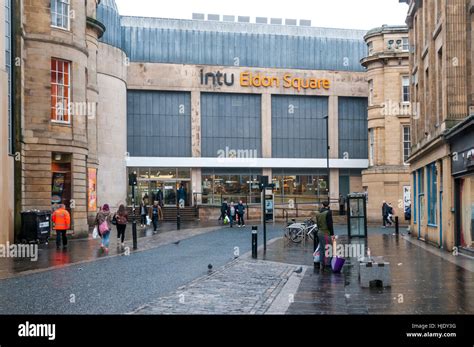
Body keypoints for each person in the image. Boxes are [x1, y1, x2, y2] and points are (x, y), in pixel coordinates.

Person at [315, 201, 335, 271]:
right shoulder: (328, 212)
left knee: (322, 248)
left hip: (319, 232)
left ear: (322, 205)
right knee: (328, 248)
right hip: (326, 233)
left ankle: (322, 263)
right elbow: (330, 224)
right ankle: (327, 265)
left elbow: (317, 224)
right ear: (328, 205)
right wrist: (332, 234)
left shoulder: (318, 213)